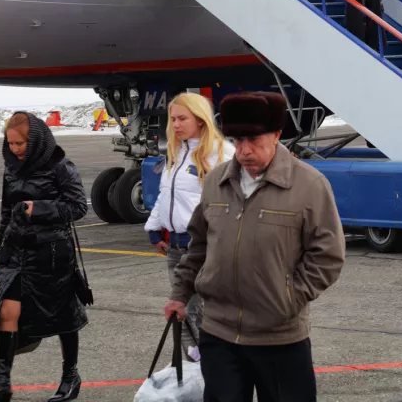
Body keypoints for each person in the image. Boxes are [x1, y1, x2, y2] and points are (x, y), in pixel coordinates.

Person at [165, 91, 345, 402]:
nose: (245, 151)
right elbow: (199, 247)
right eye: (237, 141)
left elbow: (327, 256)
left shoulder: (310, 185)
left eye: (254, 140)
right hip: (219, 333)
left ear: (276, 135)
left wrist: (287, 299)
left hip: (279, 337)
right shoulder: (216, 182)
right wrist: (180, 295)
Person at [0, 112, 89, 402]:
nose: (15, 149)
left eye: (20, 143)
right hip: (17, 252)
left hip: (51, 254)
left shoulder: (61, 166)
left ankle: (70, 376)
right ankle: (2, 384)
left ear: (35, 141)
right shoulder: (11, 168)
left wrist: (38, 209)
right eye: (11, 143)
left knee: (63, 315)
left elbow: (78, 207)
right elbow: (7, 212)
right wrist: (0, 253)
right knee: (7, 312)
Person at [144, 93, 235, 363]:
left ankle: (213, 367)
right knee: (182, 313)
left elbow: (232, 203)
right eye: (172, 119)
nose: (175, 125)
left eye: (182, 118)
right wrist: (154, 229)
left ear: (200, 119)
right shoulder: (178, 152)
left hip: (202, 247)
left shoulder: (221, 153)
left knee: (191, 312)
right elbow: (166, 194)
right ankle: (203, 368)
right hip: (175, 247)